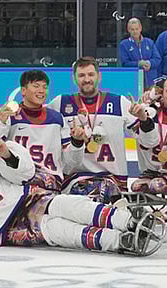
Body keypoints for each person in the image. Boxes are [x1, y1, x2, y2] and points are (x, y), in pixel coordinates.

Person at [0, 111, 161, 255]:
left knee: (67, 205)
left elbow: (23, 173)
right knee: (59, 232)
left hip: (23, 199)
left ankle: (128, 221)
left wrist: (5, 154)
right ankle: (120, 242)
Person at [47, 57, 138, 200]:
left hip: (113, 178)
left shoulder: (118, 102)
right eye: (81, 75)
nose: (86, 79)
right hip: (75, 178)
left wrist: (145, 120)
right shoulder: (60, 103)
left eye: (91, 74)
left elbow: (147, 139)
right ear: (74, 79)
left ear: (99, 76)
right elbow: (36, 115)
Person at [0, 70, 85, 191]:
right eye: (36, 86)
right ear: (23, 91)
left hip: (50, 185)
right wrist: (1, 121)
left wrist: (77, 143)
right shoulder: (8, 115)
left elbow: (72, 162)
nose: (41, 91)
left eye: (44, 87)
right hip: (17, 184)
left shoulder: (57, 118)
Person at [118, 17, 160, 84]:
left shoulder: (149, 42)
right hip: (133, 80)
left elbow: (157, 59)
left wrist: (150, 63)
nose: (135, 32)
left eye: (137, 29)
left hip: (150, 80)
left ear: (140, 28)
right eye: (132, 29)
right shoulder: (124, 44)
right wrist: (139, 64)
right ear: (128, 30)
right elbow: (125, 63)